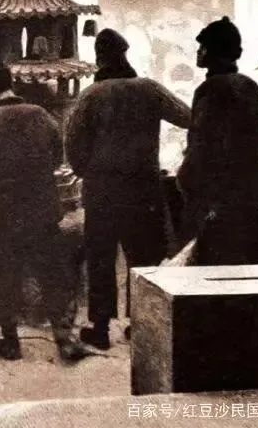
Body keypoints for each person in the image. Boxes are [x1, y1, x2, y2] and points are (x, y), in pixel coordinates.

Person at [65, 28, 191, 350]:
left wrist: (88, 172)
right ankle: (141, 324)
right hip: (142, 188)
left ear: (99, 59)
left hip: (102, 191)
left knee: (101, 259)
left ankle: (101, 329)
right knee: (144, 259)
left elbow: (73, 146)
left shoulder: (90, 96)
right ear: (125, 54)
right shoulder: (149, 89)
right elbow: (188, 117)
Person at [0, 55, 88, 363]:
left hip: (4, 212)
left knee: (4, 276)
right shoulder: (41, 115)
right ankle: (65, 339)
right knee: (52, 273)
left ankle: (11, 343)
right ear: (10, 85)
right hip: (44, 208)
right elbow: (57, 158)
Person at [177, 17, 258, 266]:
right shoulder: (250, 86)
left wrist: (185, 179)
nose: (198, 52)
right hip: (249, 193)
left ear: (213, 51)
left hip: (216, 197)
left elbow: (203, 143)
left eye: (202, 47)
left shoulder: (211, 89)